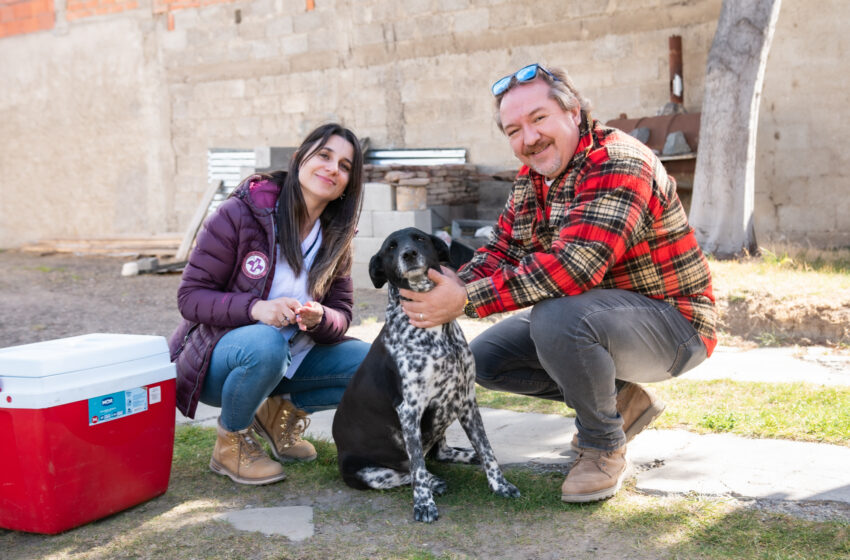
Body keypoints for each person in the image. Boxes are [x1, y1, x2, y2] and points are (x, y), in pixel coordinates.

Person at [399, 64, 716, 503]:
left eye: (539, 119)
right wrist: (442, 288)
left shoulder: (618, 161)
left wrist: (465, 299)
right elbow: (502, 250)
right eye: (514, 130)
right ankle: (623, 402)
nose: (528, 139)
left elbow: (574, 268)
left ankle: (603, 446)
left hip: (675, 327)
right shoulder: (533, 180)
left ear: (574, 111)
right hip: (598, 318)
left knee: (557, 314)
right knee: (486, 360)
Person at [169, 123, 371, 485]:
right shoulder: (241, 213)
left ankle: (279, 413)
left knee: (371, 365)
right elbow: (190, 297)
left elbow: (343, 313)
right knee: (266, 341)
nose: (332, 169)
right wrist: (255, 309)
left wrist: (321, 316)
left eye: (344, 166)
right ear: (298, 160)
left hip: (291, 360)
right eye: (324, 155)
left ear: (348, 184)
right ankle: (231, 441)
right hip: (224, 360)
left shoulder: (337, 236)